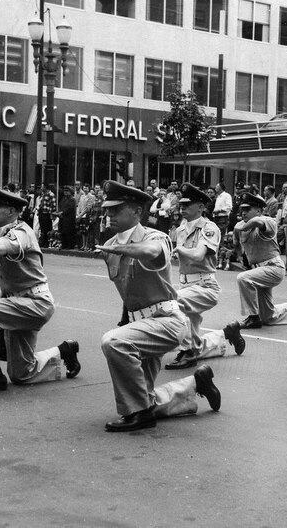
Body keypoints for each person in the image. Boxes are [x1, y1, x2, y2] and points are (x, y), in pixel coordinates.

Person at [96, 181, 222, 432]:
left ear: (137, 212)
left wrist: (124, 248)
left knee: (114, 342)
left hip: (165, 320)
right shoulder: (109, 245)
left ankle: (140, 415)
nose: (109, 214)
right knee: (144, 395)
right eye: (108, 209)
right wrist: (126, 322)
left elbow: (151, 250)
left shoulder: (157, 237)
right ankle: (195, 386)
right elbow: (127, 289)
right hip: (141, 323)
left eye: (117, 209)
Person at [0, 186, 80, 393]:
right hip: (19, 302)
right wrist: (0, 313)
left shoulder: (21, 232)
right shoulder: (2, 233)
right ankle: (65, 350)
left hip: (35, 303)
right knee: (22, 374)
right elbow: (8, 281)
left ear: (11, 211)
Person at [164, 183, 246, 370]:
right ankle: (226, 335)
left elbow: (199, 255)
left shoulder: (209, 228)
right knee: (192, 335)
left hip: (205, 286)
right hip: (186, 285)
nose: (182, 207)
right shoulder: (180, 229)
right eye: (182, 204)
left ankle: (187, 352)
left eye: (188, 204)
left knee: (174, 306)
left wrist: (179, 249)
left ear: (201, 207)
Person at [235, 192, 287, 328]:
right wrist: (240, 256)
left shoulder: (268, 221)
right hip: (258, 270)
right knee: (268, 317)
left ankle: (253, 317)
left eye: (248, 209)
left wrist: (241, 227)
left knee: (243, 278)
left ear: (259, 210)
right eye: (242, 209)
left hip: (273, 268)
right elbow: (236, 243)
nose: (244, 213)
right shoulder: (240, 225)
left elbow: (256, 222)